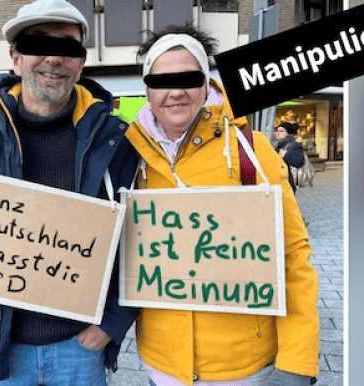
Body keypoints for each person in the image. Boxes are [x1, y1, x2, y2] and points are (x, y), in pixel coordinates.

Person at [0, 1, 139, 385]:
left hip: (79, 351)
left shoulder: (115, 141)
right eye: (39, 45)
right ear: (15, 58)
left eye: (69, 49)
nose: (54, 58)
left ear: (81, 62)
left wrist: (113, 324)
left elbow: (138, 242)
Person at [125, 25, 319, 385]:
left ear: (206, 83)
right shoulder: (130, 156)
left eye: (189, 78)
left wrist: (297, 360)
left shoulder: (252, 148)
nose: (176, 92)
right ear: (147, 90)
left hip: (242, 369)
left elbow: (293, 254)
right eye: (162, 81)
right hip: (162, 366)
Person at [273, 122, 305, 192]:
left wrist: (284, 156)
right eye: (278, 131)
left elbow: (299, 162)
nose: (278, 133)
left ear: (289, 133)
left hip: (288, 182)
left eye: (281, 131)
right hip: (278, 181)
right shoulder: (278, 145)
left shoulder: (294, 145)